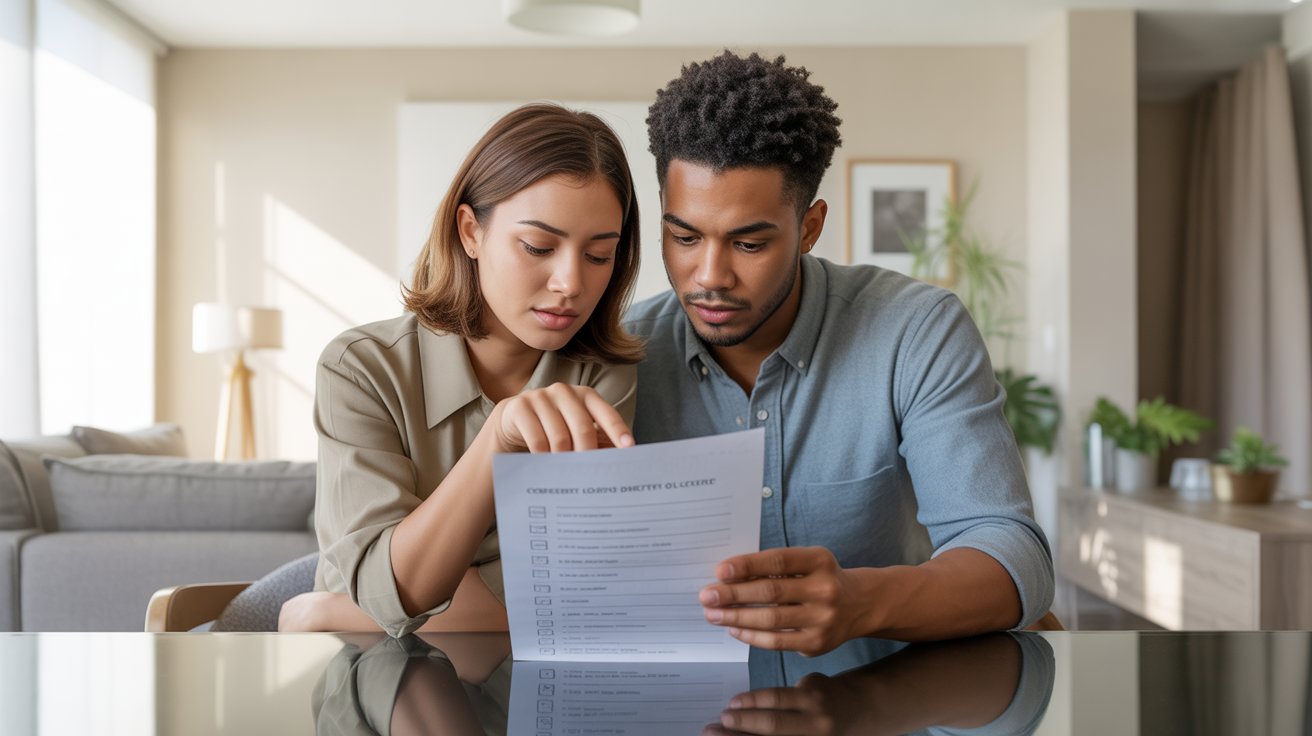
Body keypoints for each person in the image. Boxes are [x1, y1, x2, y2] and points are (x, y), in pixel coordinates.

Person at [625, 51, 1054, 656]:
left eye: (749, 244)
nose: (710, 275)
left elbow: (1012, 553)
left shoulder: (915, 331)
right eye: (684, 237)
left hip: (890, 698)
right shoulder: (620, 353)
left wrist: (863, 602)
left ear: (809, 227)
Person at [279, 103, 644, 636]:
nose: (570, 283)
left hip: (522, 680)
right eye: (538, 246)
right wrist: (498, 437)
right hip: (364, 674)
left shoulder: (602, 376)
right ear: (471, 232)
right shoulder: (360, 369)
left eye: (598, 256)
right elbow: (395, 591)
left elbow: (573, 600)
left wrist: (327, 612)